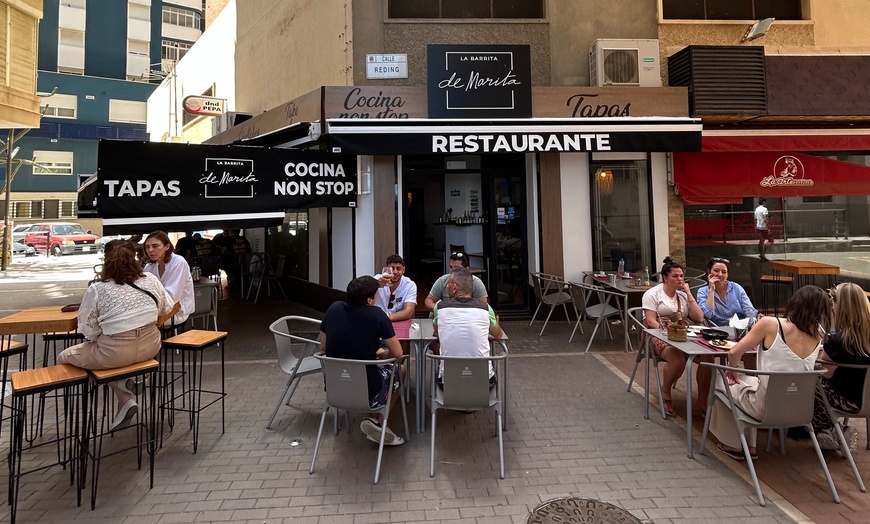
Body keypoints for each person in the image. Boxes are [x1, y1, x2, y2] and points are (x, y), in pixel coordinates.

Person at [58, 240, 175, 431]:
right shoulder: (151, 280)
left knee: (66, 356)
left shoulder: (98, 289)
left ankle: (123, 396)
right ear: (135, 259)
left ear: (106, 262)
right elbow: (167, 308)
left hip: (115, 352)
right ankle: (133, 379)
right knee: (114, 357)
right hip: (151, 346)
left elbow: (88, 331)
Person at [709, 285, 830, 460]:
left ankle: (733, 444)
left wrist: (732, 372)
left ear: (795, 302)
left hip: (766, 407)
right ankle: (749, 445)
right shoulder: (818, 333)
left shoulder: (771, 324)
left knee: (723, 382)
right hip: (800, 410)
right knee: (749, 381)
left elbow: (734, 353)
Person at [320, 275, 405, 445]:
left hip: (335, 387)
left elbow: (323, 346)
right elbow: (397, 353)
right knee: (400, 370)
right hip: (368, 388)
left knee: (368, 370)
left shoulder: (334, 308)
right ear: (370, 300)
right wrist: (382, 353)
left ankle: (369, 418)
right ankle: (379, 421)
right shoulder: (377, 315)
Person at [642, 257, 705, 417]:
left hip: (683, 334)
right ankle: (666, 391)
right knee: (678, 358)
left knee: (708, 358)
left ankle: (703, 399)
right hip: (656, 335)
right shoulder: (653, 294)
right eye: (675, 276)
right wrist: (667, 332)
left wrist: (689, 293)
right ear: (665, 277)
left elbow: (699, 318)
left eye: (682, 276)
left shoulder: (682, 296)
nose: (680, 279)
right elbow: (650, 321)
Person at [813, 282, 870, 450]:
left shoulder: (838, 341)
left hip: (848, 401)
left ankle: (833, 430)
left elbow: (825, 373)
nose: (831, 307)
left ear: (842, 306)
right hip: (866, 398)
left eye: (833, 303)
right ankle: (831, 431)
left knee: (806, 385)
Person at [432, 267, 502, 382]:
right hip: (483, 380)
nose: (447, 286)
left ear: (454, 287)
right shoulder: (485, 308)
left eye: (448, 284)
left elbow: (438, 334)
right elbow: (498, 335)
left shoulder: (439, 308)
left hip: (449, 381)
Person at [143, 230, 195, 326]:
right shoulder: (149, 266)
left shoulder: (178, 262)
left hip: (178, 311)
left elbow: (172, 296)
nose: (150, 250)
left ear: (167, 246)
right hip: (156, 309)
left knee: (142, 323)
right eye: (147, 247)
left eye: (155, 246)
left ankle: (154, 341)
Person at [697, 257, 758, 327]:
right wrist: (711, 290)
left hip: (742, 326)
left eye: (724, 272)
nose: (720, 274)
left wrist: (749, 325)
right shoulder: (702, 291)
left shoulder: (736, 287)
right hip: (720, 330)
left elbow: (749, 310)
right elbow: (708, 315)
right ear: (709, 272)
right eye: (716, 271)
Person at [375, 254, 417, 323]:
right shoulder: (377, 280)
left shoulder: (410, 285)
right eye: (392, 269)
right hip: (377, 322)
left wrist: (386, 318)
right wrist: (375, 285)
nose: (395, 272)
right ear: (387, 270)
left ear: (403, 270)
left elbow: (409, 312)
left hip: (398, 321)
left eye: (398, 269)